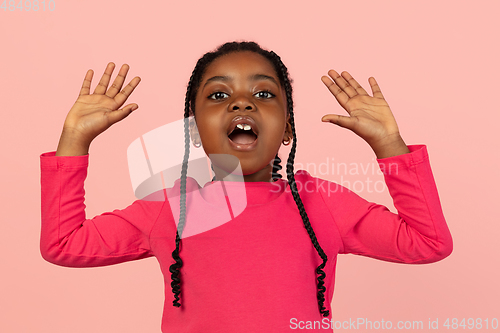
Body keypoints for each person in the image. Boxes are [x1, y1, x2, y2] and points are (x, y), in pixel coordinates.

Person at [40, 41, 453, 332]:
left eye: (263, 93)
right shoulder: (171, 208)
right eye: (219, 94)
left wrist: (389, 146)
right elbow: (64, 244)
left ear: (287, 127)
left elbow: (428, 242)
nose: (242, 103)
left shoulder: (321, 203)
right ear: (195, 130)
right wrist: (75, 140)